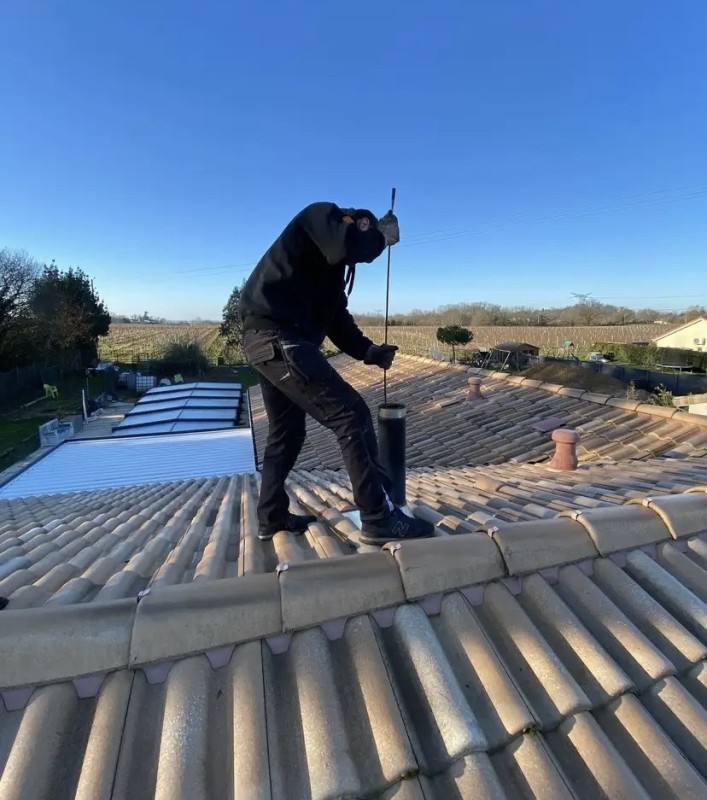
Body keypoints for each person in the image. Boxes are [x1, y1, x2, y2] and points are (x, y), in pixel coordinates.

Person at [239, 201, 435, 545]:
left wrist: (369, 352)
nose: (362, 241)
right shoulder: (320, 214)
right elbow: (347, 244)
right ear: (347, 219)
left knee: (286, 433)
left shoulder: (328, 271)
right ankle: (378, 517)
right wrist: (381, 239)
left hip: (268, 342)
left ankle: (271, 516)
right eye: (361, 228)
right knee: (351, 415)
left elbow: (337, 322)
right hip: (279, 337)